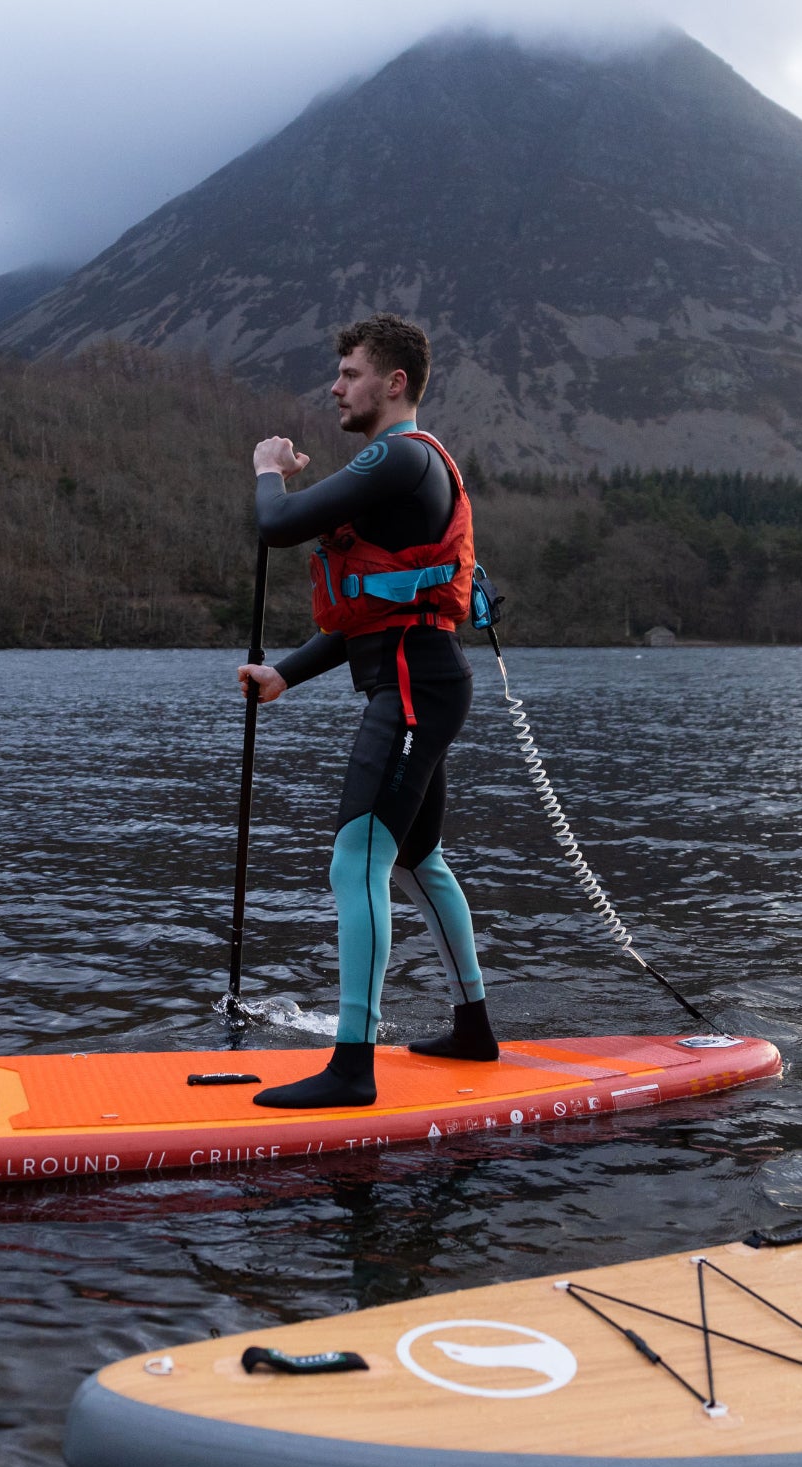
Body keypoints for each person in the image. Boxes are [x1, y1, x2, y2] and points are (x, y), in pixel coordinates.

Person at [236, 313, 496, 1109]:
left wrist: (268, 468)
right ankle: (474, 1029)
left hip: (416, 691)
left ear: (394, 384)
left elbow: (276, 524)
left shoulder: (400, 454)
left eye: (349, 373)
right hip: (421, 681)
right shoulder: (396, 477)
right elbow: (374, 613)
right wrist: (286, 675)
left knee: (359, 861)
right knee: (419, 861)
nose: (335, 386)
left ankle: (353, 1066)